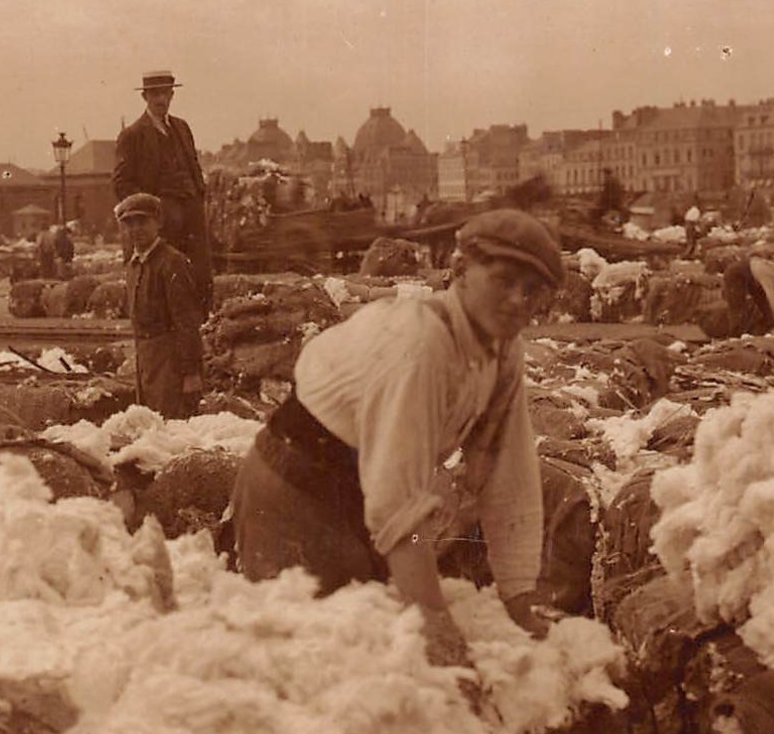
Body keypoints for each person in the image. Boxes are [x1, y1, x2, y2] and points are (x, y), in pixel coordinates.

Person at [227, 209, 564, 667]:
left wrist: (518, 598)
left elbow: (511, 473)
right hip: (292, 487)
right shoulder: (421, 345)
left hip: (360, 490)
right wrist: (435, 623)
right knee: (313, 659)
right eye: (504, 280)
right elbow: (396, 504)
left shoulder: (504, 351)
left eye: (531, 292)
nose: (516, 301)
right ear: (460, 271)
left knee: (378, 647)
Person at [113, 70, 213, 311]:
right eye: (155, 94)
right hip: (162, 222)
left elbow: (193, 166)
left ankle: (200, 330)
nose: (161, 100)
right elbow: (121, 183)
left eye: (165, 93)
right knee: (165, 283)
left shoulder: (182, 127)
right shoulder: (132, 135)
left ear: (172, 95)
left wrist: (199, 195)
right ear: (145, 97)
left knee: (199, 277)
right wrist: (148, 213)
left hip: (192, 217)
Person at [117, 193, 204, 418]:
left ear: (158, 222)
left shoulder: (172, 262)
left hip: (170, 361)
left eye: (142, 221)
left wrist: (191, 373)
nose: (136, 229)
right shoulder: (133, 266)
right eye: (129, 224)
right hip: (145, 359)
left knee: (170, 426)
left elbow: (187, 320)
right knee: (149, 424)